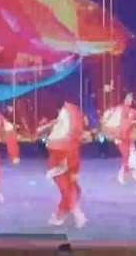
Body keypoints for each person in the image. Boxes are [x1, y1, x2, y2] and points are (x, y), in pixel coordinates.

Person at [37, 97, 88, 228]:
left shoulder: (72, 133)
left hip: (69, 164)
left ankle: (60, 215)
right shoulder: (58, 126)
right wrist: (50, 125)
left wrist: (74, 171)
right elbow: (39, 132)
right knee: (67, 191)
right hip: (56, 167)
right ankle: (76, 214)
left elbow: (75, 152)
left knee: (75, 191)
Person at [101, 92, 136, 184]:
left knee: (131, 156)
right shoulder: (117, 110)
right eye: (128, 98)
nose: (130, 100)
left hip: (129, 138)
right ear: (124, 99)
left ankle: (127, 175)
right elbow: (107, 119)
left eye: (131, 98)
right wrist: (112, 134)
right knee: (127, 156)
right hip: (120, 138)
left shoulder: (133, 111)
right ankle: (124, 175)